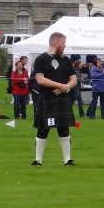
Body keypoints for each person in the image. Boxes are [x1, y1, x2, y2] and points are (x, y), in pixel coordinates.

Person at [31, 32, 77, 166]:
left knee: (64, 128)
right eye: (63, 43)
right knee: (43, 129)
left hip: (63, 98)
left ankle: (68, 160)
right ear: (56, 43)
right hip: (47, 97)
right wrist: (60, 85)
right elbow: (40, 79)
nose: (65, 46)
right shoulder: (41, 59)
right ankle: (38, 160)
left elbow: (74, 79)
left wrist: (66, 87)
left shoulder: (66, 60)